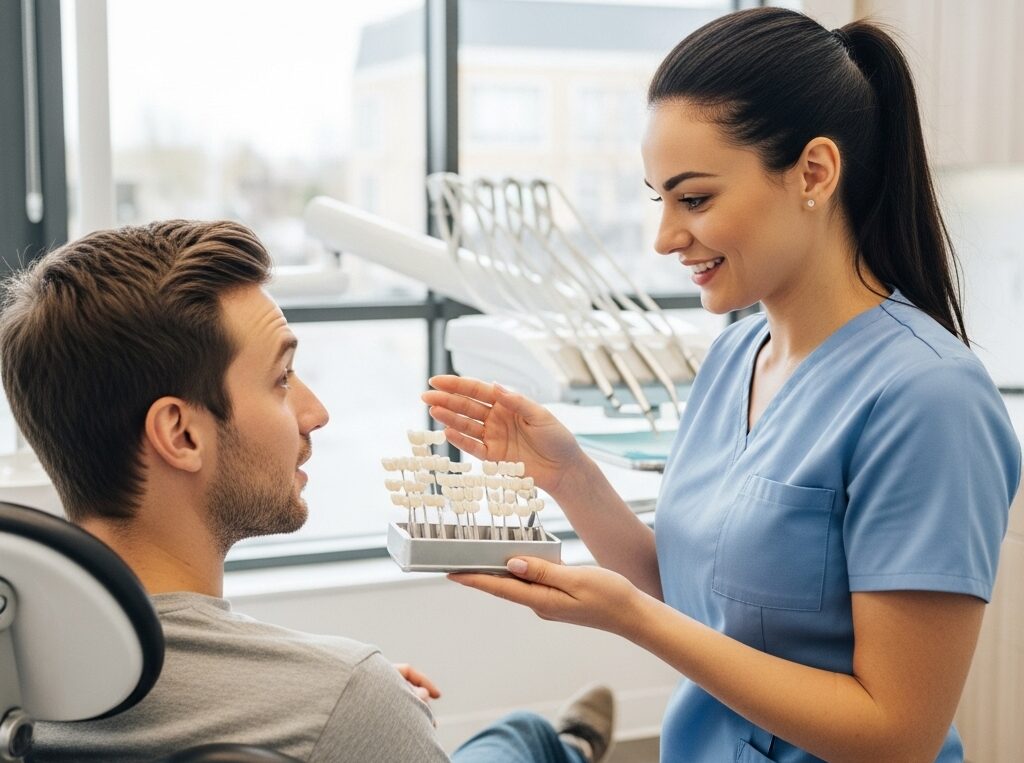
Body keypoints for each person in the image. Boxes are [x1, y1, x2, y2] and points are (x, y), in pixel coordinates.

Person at [422, 8, 1022, 763]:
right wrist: (568, 473)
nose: (666, 236)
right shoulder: (734, 358)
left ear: (814, 172)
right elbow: (705, 598)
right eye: (659, 199)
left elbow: (897, 734)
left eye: (695, 198)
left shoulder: (930, 400)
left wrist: (632, 619)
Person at [0, 220, 614, 762]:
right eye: (282, 379)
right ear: (181, 434)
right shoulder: (347, 698)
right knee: (522, 740)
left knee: (518, 737)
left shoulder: (16, 683)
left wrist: (325, 703)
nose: (315, 413)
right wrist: (351, 708)